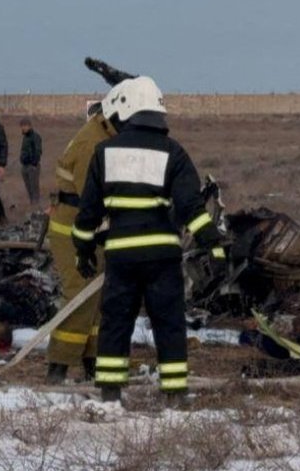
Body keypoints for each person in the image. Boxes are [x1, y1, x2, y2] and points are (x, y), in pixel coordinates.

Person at [72, 76, 225, 403]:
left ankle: (110, 395)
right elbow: (191, 208)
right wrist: (213, 243)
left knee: (115, 324)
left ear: (124, 108)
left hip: (121, 257)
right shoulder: (174, 152)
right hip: (162, 257)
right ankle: (174, 394)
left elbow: (87, 214)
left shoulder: (104, 152)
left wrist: (82, 251)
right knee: (169, 324)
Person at [44, 103, 117, 384]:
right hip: (74, 229)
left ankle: (93, 360)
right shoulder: (92, 145)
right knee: (81, 295)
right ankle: (59, 365)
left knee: (97, 299)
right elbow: (95, 196)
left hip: (88, 228)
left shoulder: (101, 135)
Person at [19, 118, 43, 208]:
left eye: (25, 126)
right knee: (29, 187)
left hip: (32, 167)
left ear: (30, 126)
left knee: (34, 188)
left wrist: (34, 164)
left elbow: (38, 151)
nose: (23, 128)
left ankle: (36, 206)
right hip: (24, 166)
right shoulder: (25, 137)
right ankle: (32, 204)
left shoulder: (35, 137)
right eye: (22, 126)